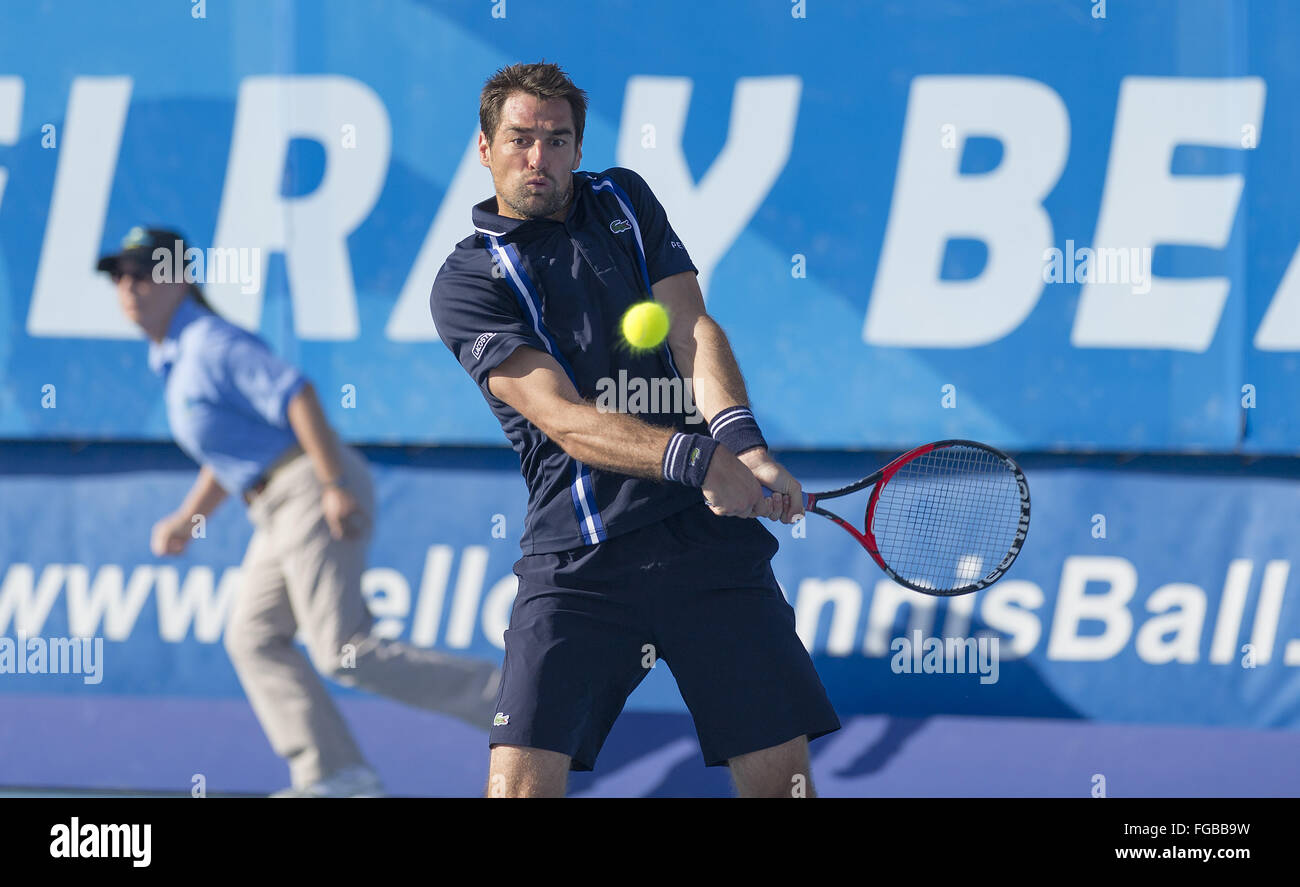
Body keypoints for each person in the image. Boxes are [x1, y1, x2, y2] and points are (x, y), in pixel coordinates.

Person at [430, 62, 841, 798]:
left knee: (785, 784)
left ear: (578, 149)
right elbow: (562, 419)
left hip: (707, 547)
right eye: (520, 139)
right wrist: (698, 458)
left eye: (557, 140)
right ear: (484, 147)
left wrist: (743, 445)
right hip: (579, 557)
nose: (538, 158)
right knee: (518, 787)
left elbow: (689, 324)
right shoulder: (468, 281)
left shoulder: (624, 196)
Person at [100, 226, 501, 797]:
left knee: (344, 650)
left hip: (311, 488)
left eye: (143, 273)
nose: (128, 287)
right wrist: (189, 518)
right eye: (120, 276)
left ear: (180, 279)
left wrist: (334, 482)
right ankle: (336, 773)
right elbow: (232, 451)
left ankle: (508, 702)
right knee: (253, 637)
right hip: (275, 501)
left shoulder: (211, 342)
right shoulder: (173, 356)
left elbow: (297, 395)